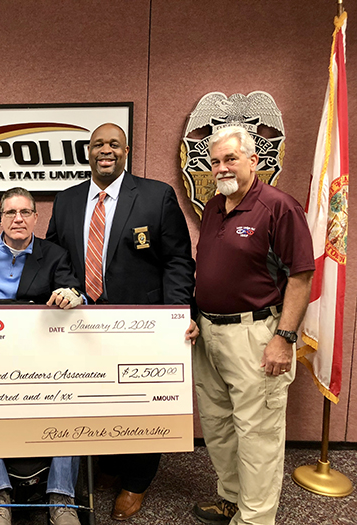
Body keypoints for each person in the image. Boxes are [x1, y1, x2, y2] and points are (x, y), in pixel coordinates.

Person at [46, 123, 196, 520]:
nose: (105, 150)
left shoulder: (155, 196)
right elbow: (56, 261)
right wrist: (67, 291)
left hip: (143, 324)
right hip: (83, 327)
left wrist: (177, 314)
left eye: (114, 143)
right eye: (98, 144)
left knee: (141, 403)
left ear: (126, 150)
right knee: (95, 399)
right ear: (88, 152)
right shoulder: (66, 201)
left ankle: (137, 481)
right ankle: (110, 465)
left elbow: (178, 260)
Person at [192, 126, 314, 525]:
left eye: (230, 158)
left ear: (253, 161)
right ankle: (231, 497)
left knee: (257, 434)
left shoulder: (279, 207)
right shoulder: (214, 207)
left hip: (256, 334)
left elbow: (300, 277)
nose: (221, 167)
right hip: (209, 334)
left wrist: (284, 338)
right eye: (214, 162)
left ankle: (255, 519)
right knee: (219, 425)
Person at [0, 186, 84, 525]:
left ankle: (62, 497)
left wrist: (70, 296)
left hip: (40, 356)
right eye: (10, 213)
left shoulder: (55, 254)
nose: (17, 219)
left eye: (25, 213)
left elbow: (73, 292)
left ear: (36, 217)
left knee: (72, 400)